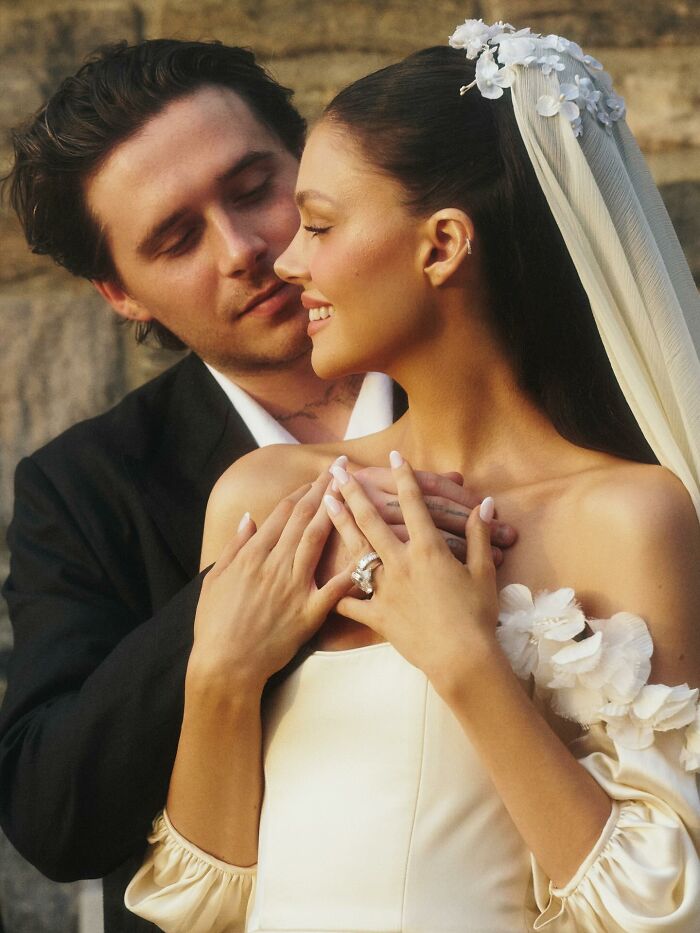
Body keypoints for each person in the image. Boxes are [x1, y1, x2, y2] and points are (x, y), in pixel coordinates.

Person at [125, 19, 700, 933]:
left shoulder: (633, 518)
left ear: (441, 245)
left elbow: (655, 909)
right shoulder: (265, 497)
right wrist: (220, 674)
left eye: (317, 224)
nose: (287, 261)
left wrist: (466, 658)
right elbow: (202, 902)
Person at [0, 39, 513, 933]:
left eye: (252, 190)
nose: (243, 249)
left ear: (306, 159)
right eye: (176, 237)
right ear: (122, 292)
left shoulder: (525, 382)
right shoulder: (83, 488)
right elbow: (53, 813)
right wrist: (237, 598)